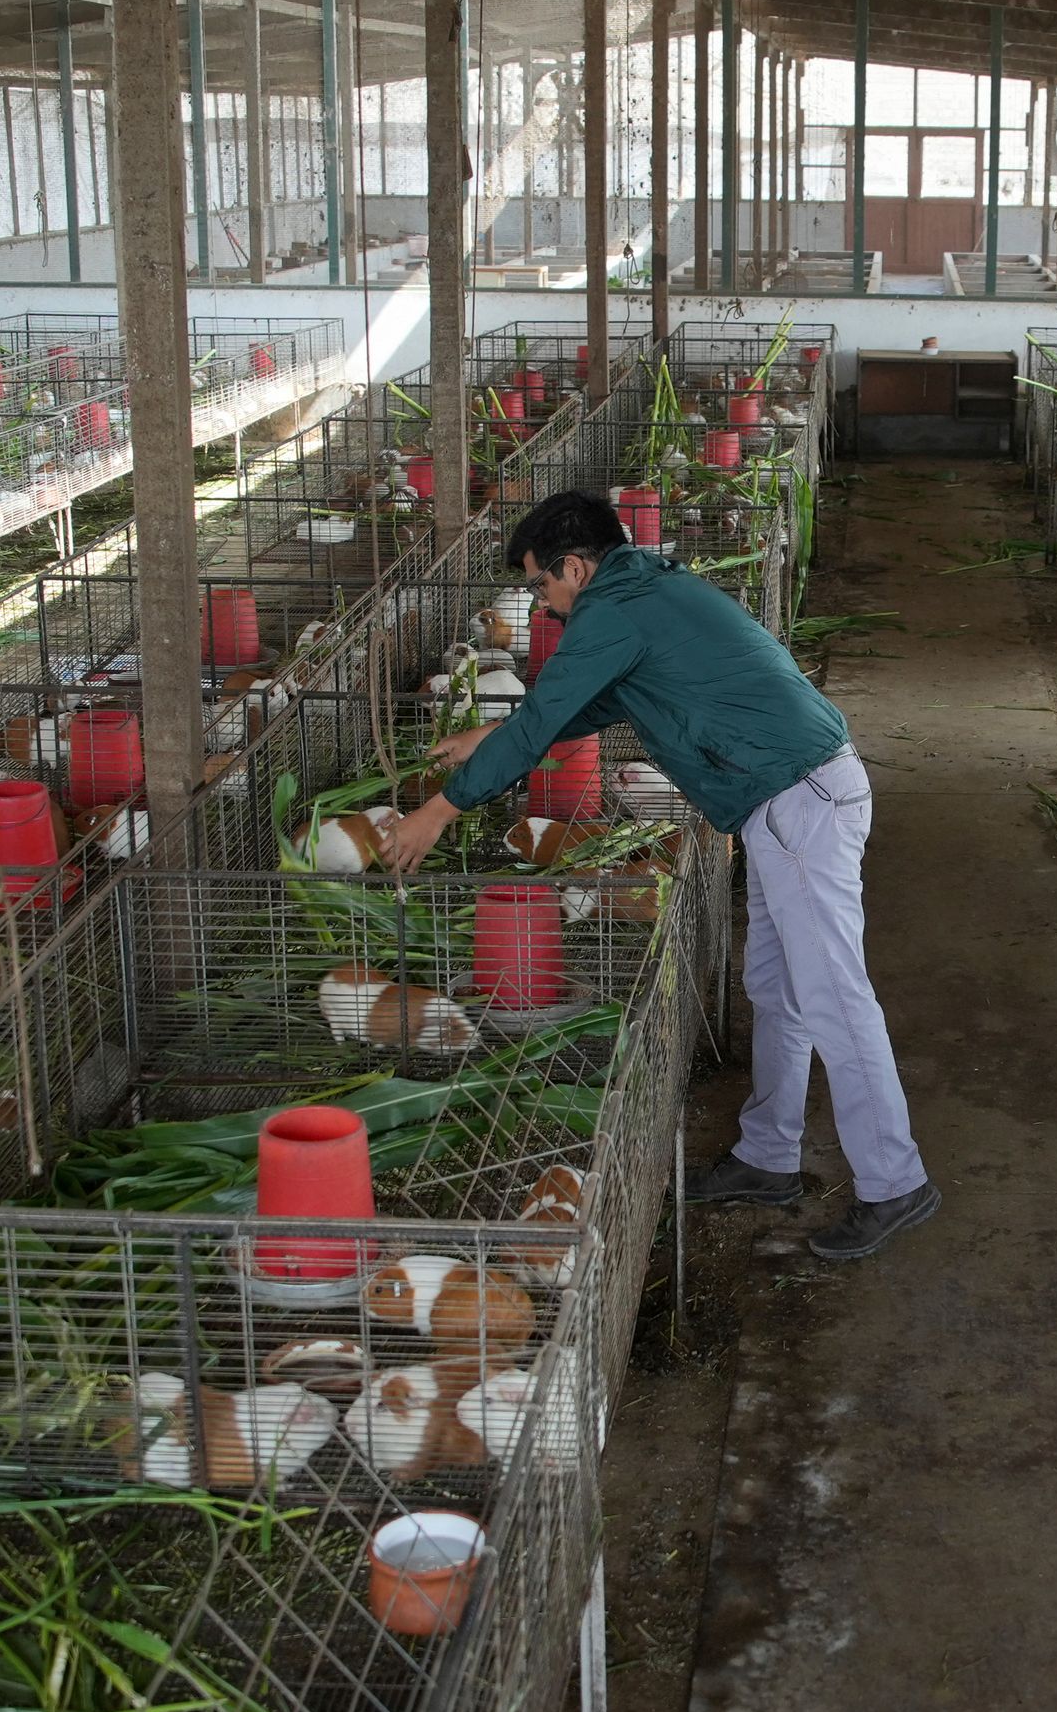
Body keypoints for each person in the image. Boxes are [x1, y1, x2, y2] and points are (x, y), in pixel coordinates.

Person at [383, 488, 938, 1260]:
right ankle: (769, 1157)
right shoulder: (641, 590)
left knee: (836, 998)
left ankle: (895, 1183)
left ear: (576, 567)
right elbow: (590, 702)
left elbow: (554, 714)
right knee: (780, 991)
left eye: (542, 584)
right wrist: (493, 734)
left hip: (798, 799)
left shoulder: (614, 609)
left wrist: (438, 811)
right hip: (782, 800)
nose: (543, 606)